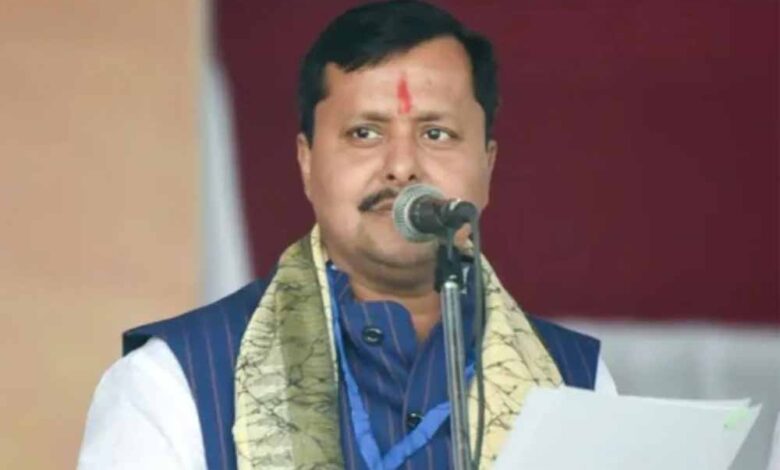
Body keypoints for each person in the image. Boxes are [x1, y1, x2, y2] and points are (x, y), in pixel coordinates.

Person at [78, 1, 616, 469]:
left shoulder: (577, 383)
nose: (402, 167)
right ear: (306, 162)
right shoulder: (175, 381)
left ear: (488, 167)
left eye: (436, 133)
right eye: (365, 133)